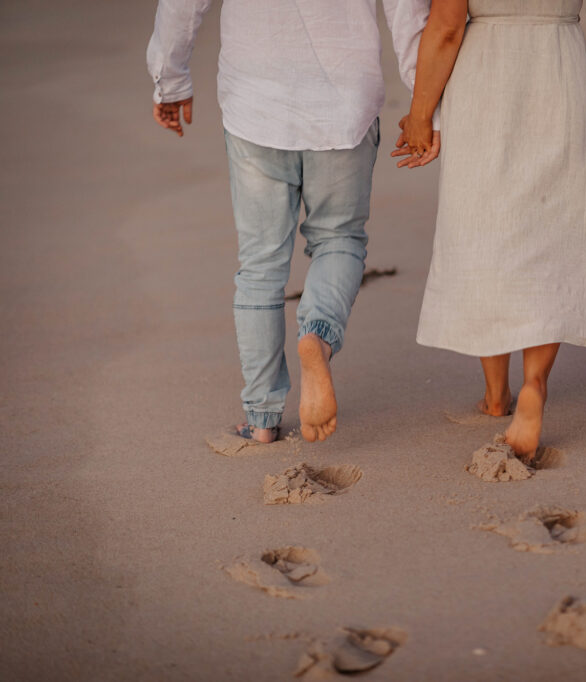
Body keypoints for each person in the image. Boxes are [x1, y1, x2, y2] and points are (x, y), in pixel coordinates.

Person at [147, 0, 438, 443]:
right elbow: (408, 11)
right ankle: (317, 336)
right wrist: (424, 103)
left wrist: (170, 80)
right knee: (339, 240)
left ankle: (261, 417)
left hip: (256, 105)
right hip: (344, 103)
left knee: (261, 264)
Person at [393, 0, 586, 460]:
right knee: (551, 233)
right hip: (560, 70)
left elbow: (447, 27)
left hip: (485, 77)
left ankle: (496, 395)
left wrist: (420, 112)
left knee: (485, 227)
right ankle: (535, 384)